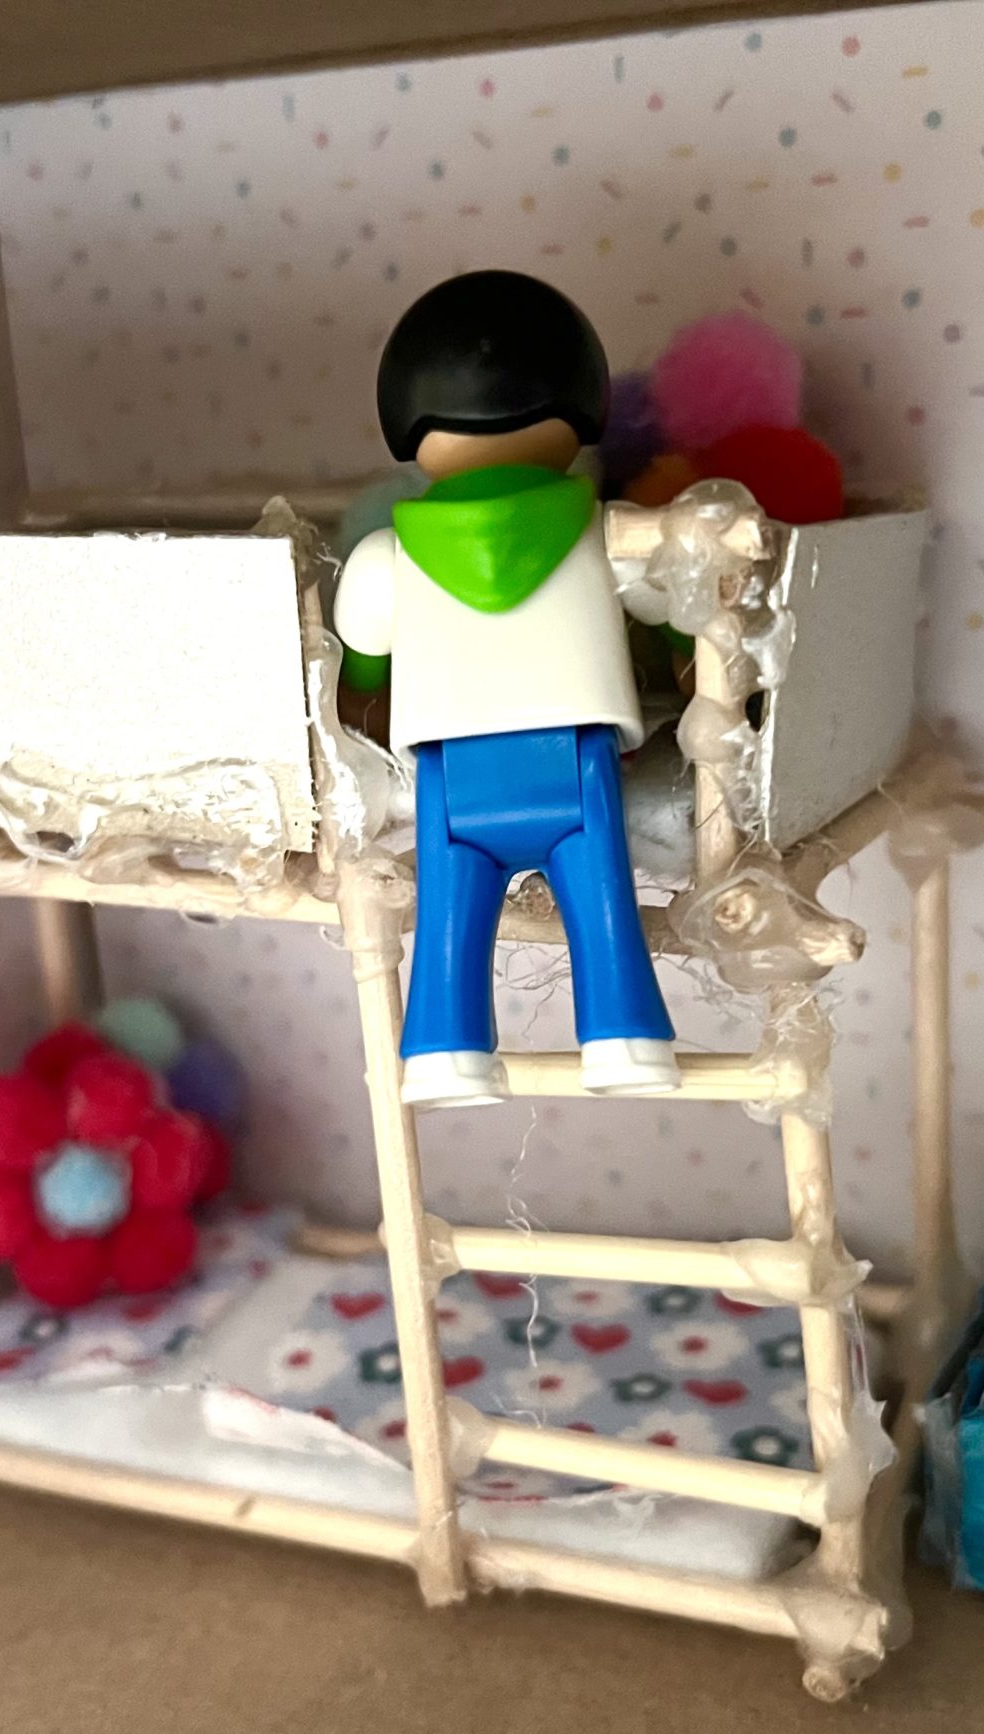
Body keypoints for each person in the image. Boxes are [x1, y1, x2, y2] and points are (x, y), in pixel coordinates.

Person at [334, 270, 678, 1110]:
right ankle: (626, 1041)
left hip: (453, 780)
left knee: (447, 925)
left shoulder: (387, 558)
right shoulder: (608, 535)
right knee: (604, 912)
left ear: (407, 424)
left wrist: (364, 697)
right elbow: (675, 606)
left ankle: (443, 1053)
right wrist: (684, 662)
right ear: (581, 405)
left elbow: (363, 654)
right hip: (577, 766)